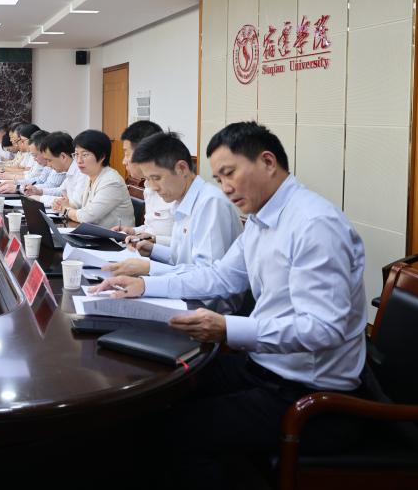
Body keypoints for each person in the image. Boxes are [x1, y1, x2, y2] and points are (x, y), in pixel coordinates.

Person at [94, 122, 368, 485]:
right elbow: (220, 276)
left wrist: (227, 328)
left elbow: (323, 329)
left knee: (177, 431)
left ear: (267, 162)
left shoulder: (314, 224)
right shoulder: (261, 218)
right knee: (151, 399)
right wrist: (145, 285)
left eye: (230, 173)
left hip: (309, 395)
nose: (224, 187)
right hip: (262, 367)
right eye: (219, 177)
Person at [101, 132, 244, 313]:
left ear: (182, 168)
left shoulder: (210, 203)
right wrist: (153, 250)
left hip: (207, 310)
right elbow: (183, 259)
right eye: (148, 179)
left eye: (157, 178)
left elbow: (207, 277)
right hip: (186, 295)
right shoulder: (181, 200)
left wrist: (150, 268)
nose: (153, 187)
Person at [51, 130, 133, 227]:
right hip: (94, 232)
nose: (79, 160)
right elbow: (78, 204)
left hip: (115, 236)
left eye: (85, 155)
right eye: (76, 154)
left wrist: (65, 210)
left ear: (102, 156)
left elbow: (87, 217)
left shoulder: (112, 181)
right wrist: (62, 203)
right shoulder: (89, 176)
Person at [116, 120, 176, 244]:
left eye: (127, 154)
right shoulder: (148, 185)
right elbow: (150, 229)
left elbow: (185, 244)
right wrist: (133, 231)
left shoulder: (177, 189)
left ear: (144, 153)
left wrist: (153, 240)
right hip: (147, 250)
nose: (124, 161)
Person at [25, 131, 77, 199]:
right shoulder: (70, 170)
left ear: (63, 157)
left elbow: (73, 202)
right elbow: (61, 191)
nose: (48, 165)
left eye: (49, 160)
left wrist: (40, 198)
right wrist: (39, 192)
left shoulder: (80, 172)